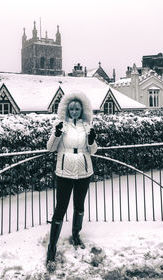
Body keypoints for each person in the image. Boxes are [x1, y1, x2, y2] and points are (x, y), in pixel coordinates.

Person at [46, 90, 97, 269]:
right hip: (64, 171)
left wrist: (91, 140)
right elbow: (50, 148)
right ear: (67, 110)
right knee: (60, 208)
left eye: (77, 109)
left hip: (84, 170)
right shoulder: (61, 125)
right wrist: (57, 134)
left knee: (79, 205)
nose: (74, 111)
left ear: (81, 110)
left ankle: (76, 235)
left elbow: (93, 151)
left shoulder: (87, 126)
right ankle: (51, 248)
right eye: (72, 109)